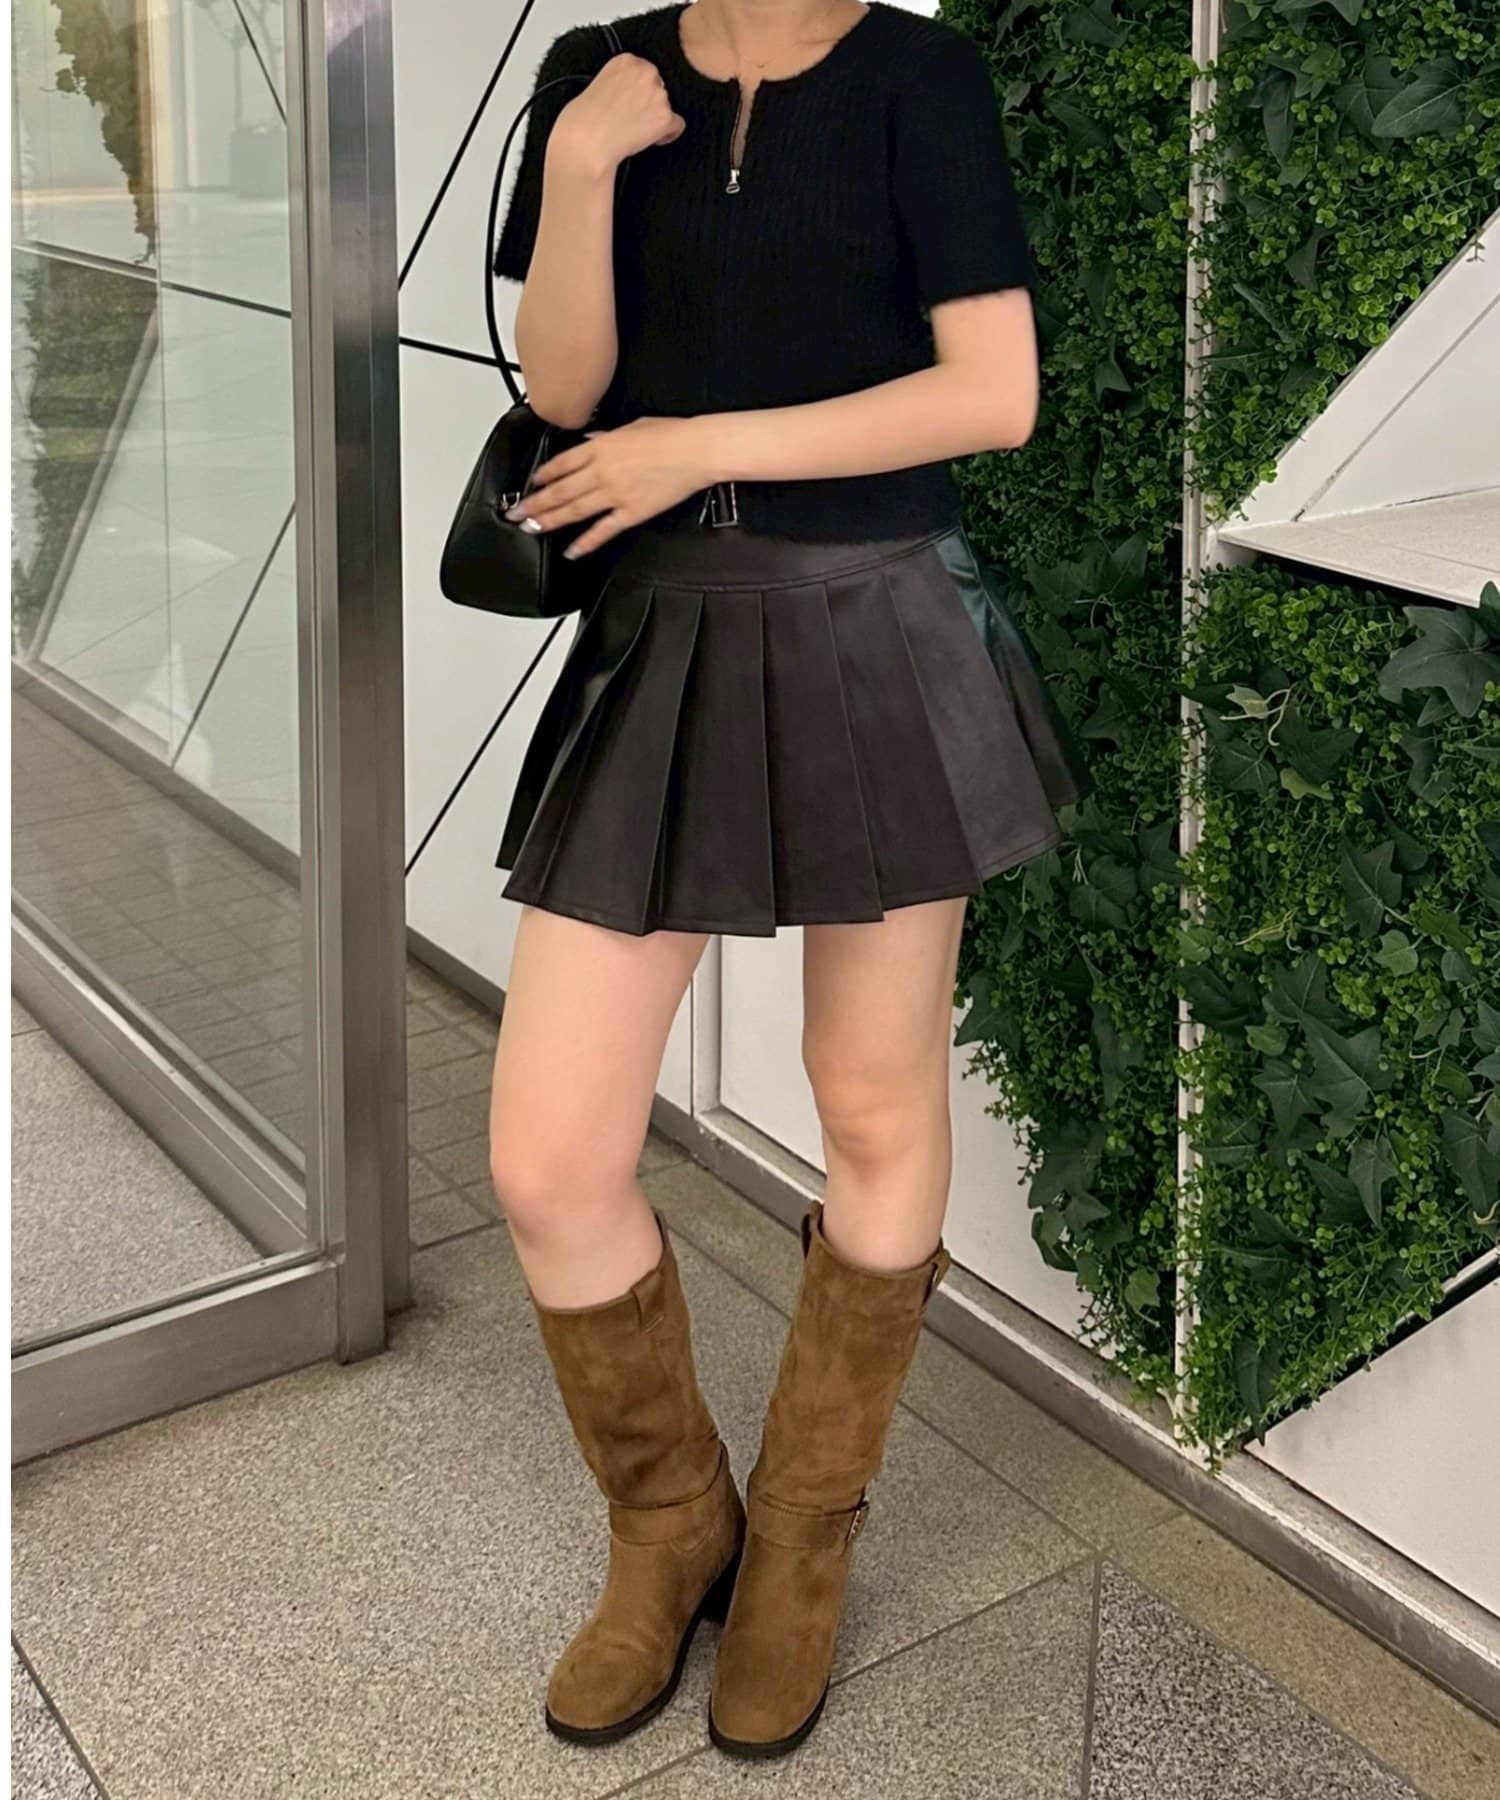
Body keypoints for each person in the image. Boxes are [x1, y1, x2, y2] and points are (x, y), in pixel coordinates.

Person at [484, 0, 1087, 1760]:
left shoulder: (918, 75)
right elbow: (564, 394)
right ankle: (675, 1527)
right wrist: (582, 163)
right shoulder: (597, 70)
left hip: (877, 627)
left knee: (870, 1100)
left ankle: (803, 1542)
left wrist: (704, 443)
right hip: (662, 632)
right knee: (547, 1158)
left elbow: (994, 392)